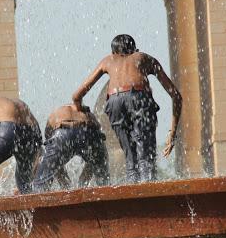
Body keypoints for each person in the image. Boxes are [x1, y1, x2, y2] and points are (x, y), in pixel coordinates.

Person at [72, 34, 182, 183]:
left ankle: (132, 200)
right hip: (138, 98)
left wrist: (80, 109)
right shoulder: (143, 57)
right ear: (135, 49)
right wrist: (172, 132)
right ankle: (150, 199)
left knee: (131, 159)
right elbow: (176, 96)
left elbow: (77, 95)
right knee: (146, 159)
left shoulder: (108, 61)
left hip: (113, 102)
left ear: (113, 53)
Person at [33, 103, 109, 192]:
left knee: (40, 185)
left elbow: (55, 162)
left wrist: (66, 187)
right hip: (90, 132)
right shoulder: (87, 113)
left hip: (62, 132)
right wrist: (82, 184)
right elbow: (94, 159)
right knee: (104, 181)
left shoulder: (55, 115)